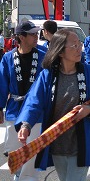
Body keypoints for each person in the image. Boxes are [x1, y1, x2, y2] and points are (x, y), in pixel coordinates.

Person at [15, 29, 90, 181]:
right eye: (74, 46)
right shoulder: (48, 75)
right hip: (57, 143)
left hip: (81, 143)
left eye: (79, 44)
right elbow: (34, 101)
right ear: (60, 52)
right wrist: (26, 124)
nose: (79, 48)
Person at [0, 20, 46, 181]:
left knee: (32, 151)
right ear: (21, 36)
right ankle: (19, 176)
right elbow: (2, 84)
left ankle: (27, 179)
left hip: (36, 112)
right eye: (32, 34)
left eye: (36, 34)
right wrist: (0, 107)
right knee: (14, 150)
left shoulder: (43, 56)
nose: (36, 37)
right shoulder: (7, 58)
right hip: (14, 109)